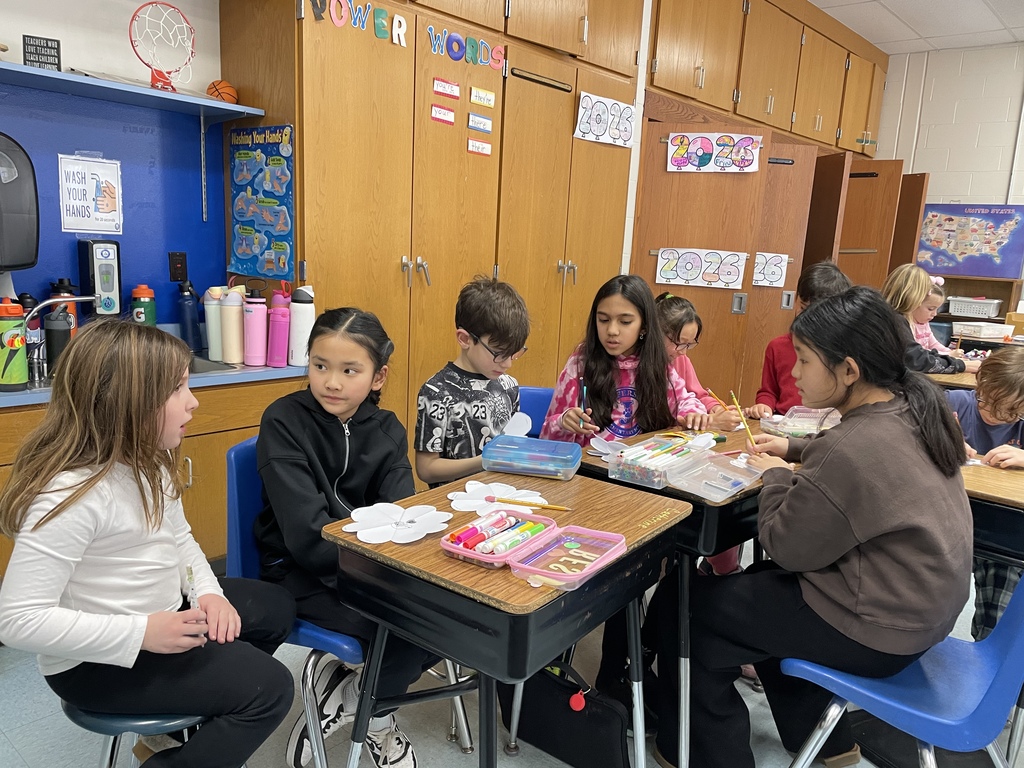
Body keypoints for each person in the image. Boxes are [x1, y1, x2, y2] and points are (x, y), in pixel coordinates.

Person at [649, 287, 973, 768]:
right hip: (921, 614)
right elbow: (855, 461)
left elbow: (785, 547)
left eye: (803, 361)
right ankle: (823, 739)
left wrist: (774, 474)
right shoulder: (916, 407)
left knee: (686, 607)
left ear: (848, 370)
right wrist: (795, 450)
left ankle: (704, 755)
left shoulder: (851, 446)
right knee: (757, 596)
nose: (794, 373)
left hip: (878, 631)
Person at [0, 320, 296, 768]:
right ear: (128, 402)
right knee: (269, 689)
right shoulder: (68, 496)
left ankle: (187, 723)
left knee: (275, 608)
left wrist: (209, 594)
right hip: (95, 664)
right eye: (178, 389)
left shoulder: (148, 462)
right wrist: (142, 633)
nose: (193, 402)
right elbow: (18, 621)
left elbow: (180, 541)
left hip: (159, 614)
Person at [256, 308, 436, 768]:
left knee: (450, 620)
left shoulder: (388, 430)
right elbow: (305, 535)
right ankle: (376, 717)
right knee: (403, 631)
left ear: (379, 377)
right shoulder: (284, 420)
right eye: (320, 366)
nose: (331, 382)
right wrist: (378, 585)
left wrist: (395, 574)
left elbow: (402, 517)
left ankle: (355, 696)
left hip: (368, 568)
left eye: (349, 370)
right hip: (297, 570)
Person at [541, 274, 707, 445]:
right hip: (590, 467)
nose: (612, 330)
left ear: (644, 326)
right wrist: (563, 421)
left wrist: (693, 413)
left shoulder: (657, 365)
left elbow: (686, 401)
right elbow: (548, 436)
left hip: (641, 465)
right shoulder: (579, 366)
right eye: (603, 320)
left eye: (625, 322)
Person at [655, 292, 744, 577]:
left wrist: (717, 410)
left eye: (690, 345)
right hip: (655, 457)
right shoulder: (644, 365)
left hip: (681, 451)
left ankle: (719, 570)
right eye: (678, 343)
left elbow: (698, 395)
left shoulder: (680, 361)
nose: (683, 351)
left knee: (720, 493)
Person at [414, 277, 530, 487]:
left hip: (503, 493)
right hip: (455, 501)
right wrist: (486, 460)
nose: (507, 364)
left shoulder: (509, 385)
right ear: (465, 339)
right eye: (499, 354)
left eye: (514, 354)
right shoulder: (436, 392)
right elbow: (426, 469)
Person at [945, 346, 1024, 640]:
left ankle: (990, 648)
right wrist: (941, 439)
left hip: (1001, 527)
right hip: (950, 517)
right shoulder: (954, 403)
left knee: (1000, 609)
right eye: (985, 401)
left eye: (1008, 410)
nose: (991, 413)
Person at [748, 262, 852, 418]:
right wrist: (764, 405)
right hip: (783, 421)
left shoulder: (841, 351)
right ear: (796, 298)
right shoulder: (777, 346)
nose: (806, 318)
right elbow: (768, 391)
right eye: (803, 308)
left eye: (815, 312)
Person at [881, 264, 979, 375]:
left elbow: (919, 354)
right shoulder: (894, 321)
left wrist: (953, 359)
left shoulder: (883, 314)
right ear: (913, 296)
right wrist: (960, 365)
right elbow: (917, 360)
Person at [909, 276, 961, 356]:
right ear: (915, 303)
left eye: (937, 309)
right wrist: (948, 354)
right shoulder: (908, 325)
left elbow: (934, 344)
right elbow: (921, 353)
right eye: (931, 309)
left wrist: (949, 351)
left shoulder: (925, 324)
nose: (935, 314)